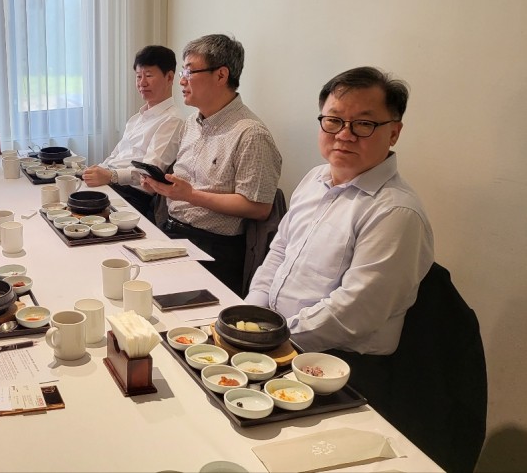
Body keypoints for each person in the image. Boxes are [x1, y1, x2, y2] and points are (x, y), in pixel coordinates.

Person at [245, 67, 433, 354]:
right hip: (273, 336)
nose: (345, 135)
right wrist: (250, 313)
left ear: (394, 133)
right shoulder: (315, 178)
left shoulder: (396, 211)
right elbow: (280, 250)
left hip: (335, 361)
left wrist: (270, 338)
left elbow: (353, 313)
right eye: (333, 121)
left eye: (363, 124)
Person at [142, 34, 282, 295]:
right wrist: (161, 187)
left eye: (189, 71)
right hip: (172, 230)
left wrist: (190, 196)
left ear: (221, 75)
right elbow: (183, 184)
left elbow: (260, 208)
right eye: (183, 72)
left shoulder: (250, 134)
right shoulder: (192, 123)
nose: (182, 81)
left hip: (214, 248)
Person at [81, 45, 184, 221]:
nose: (142, 83)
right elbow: (115, 156)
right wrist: (95, 172)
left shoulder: (172, 120)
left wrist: (111, 176)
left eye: (149, 75)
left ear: (169, 77)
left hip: (132, 195)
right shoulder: (136, 118)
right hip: (112, 186)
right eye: (138, 76)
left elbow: (150, 172)